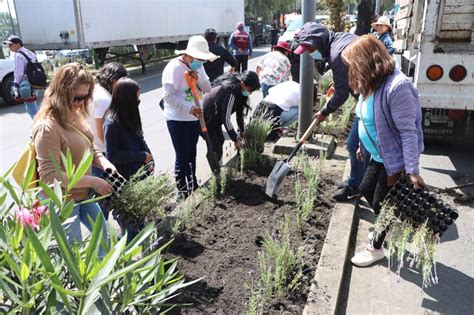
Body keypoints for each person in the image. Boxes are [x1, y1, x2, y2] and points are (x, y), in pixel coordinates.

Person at [340, 35, 425, 267]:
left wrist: (412, 170)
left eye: (353, 64)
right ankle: (385, 229)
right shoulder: (370, 85)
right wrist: (360, 144)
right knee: (367, 190)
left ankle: (376, 247)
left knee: (383, 204)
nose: (352, 70)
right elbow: (365, 119)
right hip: (378, 155)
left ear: (367, 61)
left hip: (394, 160)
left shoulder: (398, 87)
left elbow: (409, 132)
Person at [33, 63, 116, 258]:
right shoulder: (47, 127)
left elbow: (89, 146)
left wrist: (104, 163)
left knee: (104, 241)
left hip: (82, 193)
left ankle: (106, 285)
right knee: (73, 255)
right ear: (62, 93)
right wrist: (94, 181)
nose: (81, 103)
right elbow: (49, 176)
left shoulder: (75, 114)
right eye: (77, 97)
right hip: (61, 201)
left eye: (86, 97)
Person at [294, 22, 367, 201]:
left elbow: (342, 95)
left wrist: (325, 111)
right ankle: (355, 181)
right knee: (355, 145)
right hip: (367, 96)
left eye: (310, 48)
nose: (310, 53)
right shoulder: (340, 38)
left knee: (359, 147)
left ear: (319, 41)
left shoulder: (337, 53)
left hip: (372, 99)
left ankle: (358, 187)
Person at [162, 35, 216, 198]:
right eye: (198, 59)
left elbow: (207, 89)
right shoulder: (173, 69)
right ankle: (182, 189)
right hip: (177, 119)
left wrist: (198, 78)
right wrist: (189, 108)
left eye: (203, 59)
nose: (200, 62)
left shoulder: (198, 67)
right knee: (182, 154)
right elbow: (168, 97)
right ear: (188, 55)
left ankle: (193, 184)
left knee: (192, 152)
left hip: (194, 118)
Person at [104, 77, 153, 242]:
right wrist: (142, 156)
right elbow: (113, 156)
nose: (139, 101)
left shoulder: (129, 117)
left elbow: (140, 138)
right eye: (136, 98)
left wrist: (149, 158)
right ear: (127, 99)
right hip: (124, 183)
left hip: (138, 178)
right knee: (131, 229)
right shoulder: (112, 124)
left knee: (141, 224)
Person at [202, 71, 260, 162]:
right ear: (243, 83)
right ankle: (216, 171)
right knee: (215, 146)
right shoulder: (230, 92)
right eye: (250, 90)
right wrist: (235, 139)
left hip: (215, 117)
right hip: (206, 116)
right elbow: (226, 118)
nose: (250, 93)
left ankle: (218, 165)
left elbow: (239, 114)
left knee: (221, 139)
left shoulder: (240, 91)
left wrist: (242, 131)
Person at [87, 62, 128, 176]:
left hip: (93, 149)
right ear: (114, 80)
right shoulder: (104, 99)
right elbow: (102, 131)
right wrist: (114, 152)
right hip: (102, 152)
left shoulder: (95, 90)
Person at [3, 35, 43, 118]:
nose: (9, 47)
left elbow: (19, 73)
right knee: (33, 106)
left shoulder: (18, 55)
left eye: (11, 45)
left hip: (26, 84)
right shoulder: (28, 52)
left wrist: (16, 87)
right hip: (35, 82)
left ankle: (40, 127)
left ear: (18, 44)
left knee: (31, 109)